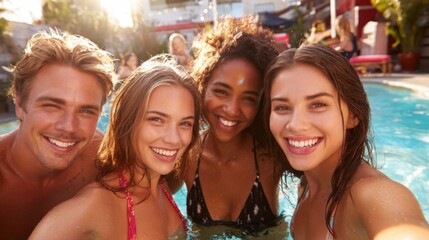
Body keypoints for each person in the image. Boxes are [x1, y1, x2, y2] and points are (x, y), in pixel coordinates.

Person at [263, 44, 429, 239]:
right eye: (282, 107)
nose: (296, 125)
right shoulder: (305, 187)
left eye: (318, 105)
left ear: (353, 115)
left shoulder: (372, 195)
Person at [30, 55, 201, 239]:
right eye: (156, 119)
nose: (173, 139)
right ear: (126, 120)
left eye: (185, 124)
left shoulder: (164, 186)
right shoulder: (95, 206)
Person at [168, 15, 286, 235]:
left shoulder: (273, 154)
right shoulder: (185, 154)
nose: (232, 110)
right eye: (221, 92)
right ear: (202, 86)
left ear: (261, 103)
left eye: (248, 98)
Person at [0, 29, 115, 239]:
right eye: (52, 106)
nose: (69, 127)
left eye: (86, 110)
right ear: (19, 104)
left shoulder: (99, 156)